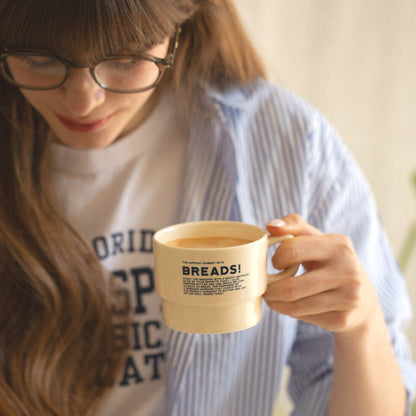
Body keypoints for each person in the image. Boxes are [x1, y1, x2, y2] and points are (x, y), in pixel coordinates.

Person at [0, 0, 415, 415]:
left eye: (126, 58)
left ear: (177, 29)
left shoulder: (284, 142)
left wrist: (361, 329)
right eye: (38, 59)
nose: (82, 102)